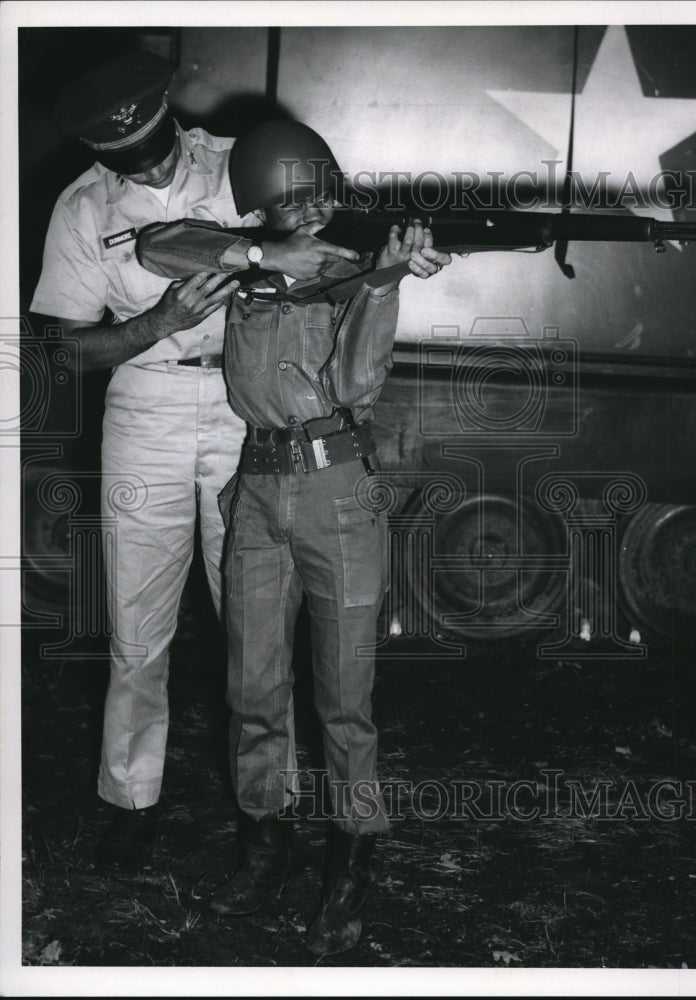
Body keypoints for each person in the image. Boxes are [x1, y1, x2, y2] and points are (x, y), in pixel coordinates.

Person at [30, 55, 360, 871]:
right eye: (120, 159)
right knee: (137, 631)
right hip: (144, 411)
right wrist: (155, 323)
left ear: (167, 113)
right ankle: (131, 800)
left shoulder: (244, 159)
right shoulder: (81, 209)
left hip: (251, 411)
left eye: (153, 148)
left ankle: (268, 808)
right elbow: (64, 349)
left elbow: (317, 247)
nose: (142, 166)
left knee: (257, 628)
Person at [136, 119, 451, 955]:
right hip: (257, 491)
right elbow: (157, 245)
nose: (314, 214)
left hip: (336, 493)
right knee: (250, 689)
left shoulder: (349, 273)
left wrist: (383, 285)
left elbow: (355, 381)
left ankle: (349, 871)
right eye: (291, 202)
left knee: (343, 701)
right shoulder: (242, 264)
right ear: (260, 210)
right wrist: (259, 258)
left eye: (321, 196)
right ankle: (262, 851)